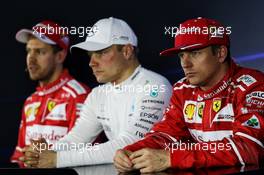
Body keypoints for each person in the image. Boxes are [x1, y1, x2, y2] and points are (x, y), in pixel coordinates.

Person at [114, 17, 264, 173]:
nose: (185, 64)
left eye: (195, 53)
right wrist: (130, 151)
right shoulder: (182, 89)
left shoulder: (253, 86)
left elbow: (247, 148)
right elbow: (166, 135)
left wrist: (172, 158)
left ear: (220, 53)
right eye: (181, 55)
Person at [21, 17, 172, 168]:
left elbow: (130, 144)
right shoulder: (97, 95)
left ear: (126, 51)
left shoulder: (155, 86)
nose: (92, 62)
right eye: (90, 55)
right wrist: (43, 153)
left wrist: (57, 159)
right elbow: (76, 140)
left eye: (100, 53)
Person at [11, 20, 92, 167]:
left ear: (60, 56)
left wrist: (49, 155)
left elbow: (86, 156)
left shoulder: (79, 96)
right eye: (28, 51)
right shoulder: (31, 101)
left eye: (40, 52)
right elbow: (20, 157)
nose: (31, 59)